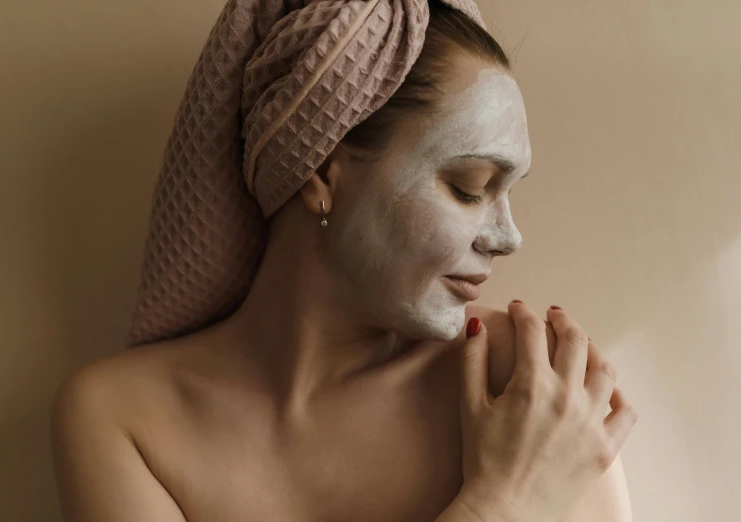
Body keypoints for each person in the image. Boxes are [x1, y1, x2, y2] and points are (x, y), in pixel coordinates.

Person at [50, 0, 638, 520]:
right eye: (468, 187)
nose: (508, 237)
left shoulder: (528, 385)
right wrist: (501, 505)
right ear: (323, 170)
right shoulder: (125, 422)